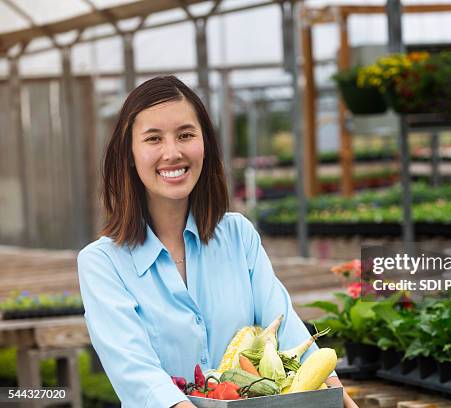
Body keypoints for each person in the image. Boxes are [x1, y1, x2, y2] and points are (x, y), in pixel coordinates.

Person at [77, 76, 358, 408]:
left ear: (205, 143)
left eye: (185, 135)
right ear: (129, 154)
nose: (172, 152)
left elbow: (284, 326)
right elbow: (138, 375)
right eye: (153, 138)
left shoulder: (237, 236)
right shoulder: (103, 263)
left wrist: (337, 396)